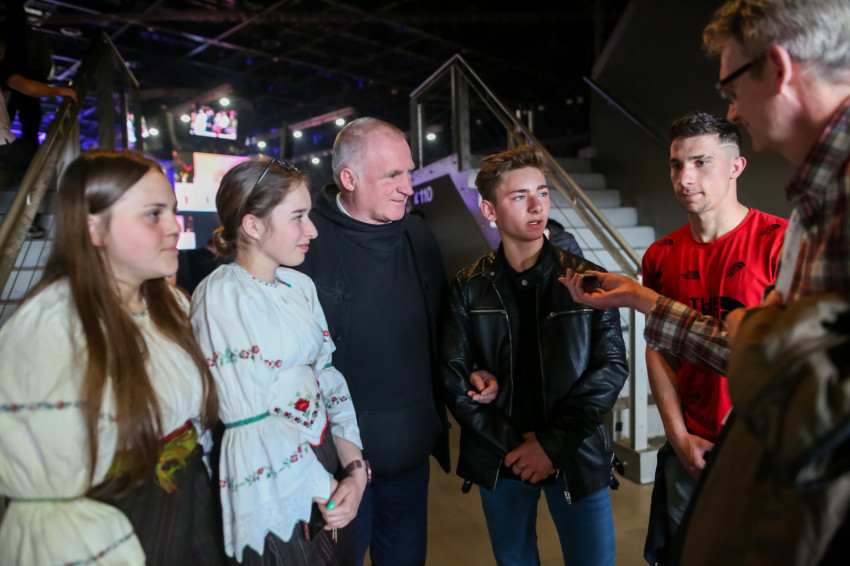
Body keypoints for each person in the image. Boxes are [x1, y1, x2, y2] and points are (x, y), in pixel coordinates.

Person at [560, 0, 850, 563]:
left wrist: (758, 341)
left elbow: (805, 387)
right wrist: (680, 428)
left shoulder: (792, 226)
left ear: (779, 68)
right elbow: (768, 360)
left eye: (732, 88)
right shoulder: (814, 206)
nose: (734, 109)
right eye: (676, 164)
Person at [0, 150, 223, 565]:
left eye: (172, 211)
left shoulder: (171, 305)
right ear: (94, 228)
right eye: (153, 214)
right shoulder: (52, 326)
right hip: (113, 529)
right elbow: (45, 492)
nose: (175, 227)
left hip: (188, 508)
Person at [440, 145, 629, 566]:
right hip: (500, 457)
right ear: (489, 210)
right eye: (519, 196)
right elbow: (453, 375)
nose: (537, 205)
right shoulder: (468, 286)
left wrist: (550, 446)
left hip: (575, 454)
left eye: (542, 192)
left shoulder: (586, 279)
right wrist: (517, 448)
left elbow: (611, 367)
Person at [191, 158, 367, 565]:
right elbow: (248, 421)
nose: (312, 230)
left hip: (325, 462)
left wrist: (355, 471)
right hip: (272, 482)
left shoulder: (298, 286)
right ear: (253, 226)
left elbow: (327, 379)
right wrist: (325, 487)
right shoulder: (222, 296)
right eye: (298, 216)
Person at [296, 117, 451, 566]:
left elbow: (442, 326)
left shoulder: (419, 235)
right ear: (349, 179)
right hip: (335, 466)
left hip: (410, 458)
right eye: (392, 175)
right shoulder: (307, 243)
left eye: (409, 172)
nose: (408, 187)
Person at [642, 112, 786, 564]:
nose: (685, 178)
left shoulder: (780, 242)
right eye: (676, 164)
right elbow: (659, 349)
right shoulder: (660, 255)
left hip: (765, 454)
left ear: (735, 167)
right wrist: (678, 437)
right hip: (693, 451)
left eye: (701, 162)